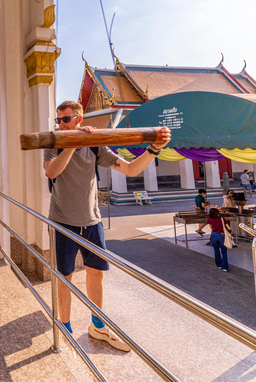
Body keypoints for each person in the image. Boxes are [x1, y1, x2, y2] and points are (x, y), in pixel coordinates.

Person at [44, 100, 170, 352]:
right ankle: (65, 325)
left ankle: (98, 325)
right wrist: (73, 142)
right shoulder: (53, 143)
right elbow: (51, 172)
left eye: (66, 119)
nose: (61, 124)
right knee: (64, 277)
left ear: (79, 119)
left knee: (96, 273)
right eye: (58, 120)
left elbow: (131, 169)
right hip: (62, 221)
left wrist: (154, 148)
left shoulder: (95, 146)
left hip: (92, 220)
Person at [207, 207, 231, 271]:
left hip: (214, 235)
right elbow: (229, 228)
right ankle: (224, 267)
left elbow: (211, 227)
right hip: (222, 234)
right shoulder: (222, 219)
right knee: (224, 251)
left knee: (216, 250)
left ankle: (218, 264)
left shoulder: (209, 219)